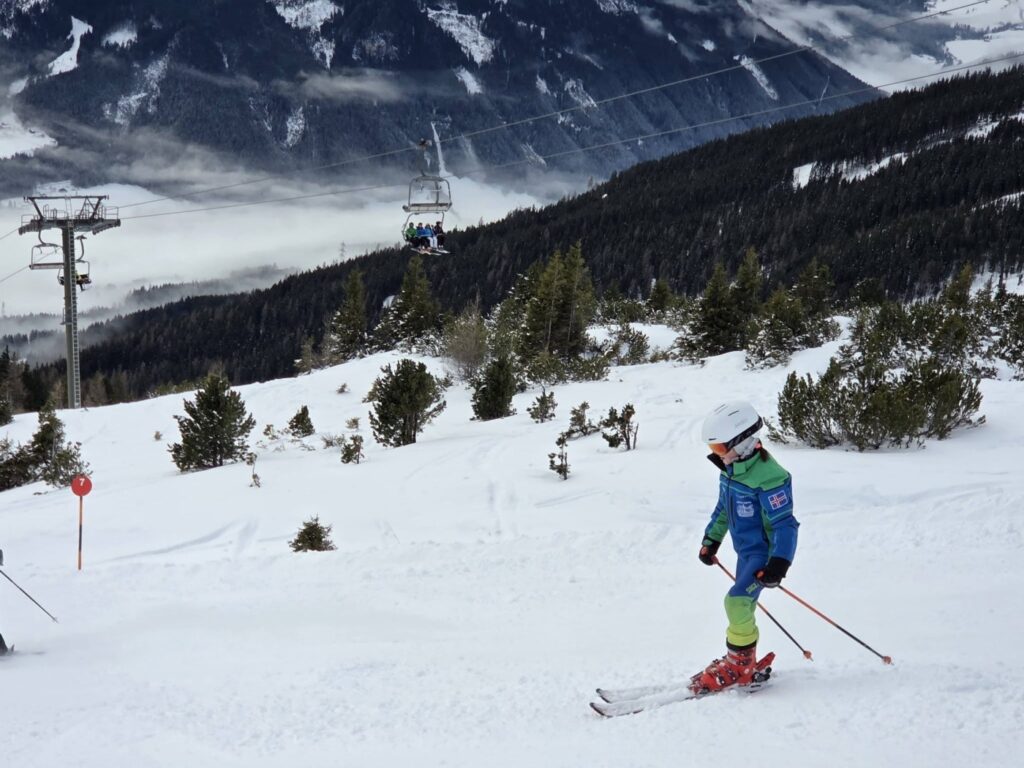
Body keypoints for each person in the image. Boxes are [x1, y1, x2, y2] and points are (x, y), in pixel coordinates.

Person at [690, 401, 798, 694]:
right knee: (743, 606)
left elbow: (785, 525)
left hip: (763, 555)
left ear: (742, 441)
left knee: (736, 602)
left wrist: (779, 564)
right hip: (745, 553)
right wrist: (711, 540)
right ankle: (741, 659)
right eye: (714, 450)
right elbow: (724, 509)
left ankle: (740, 665)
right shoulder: (732, 470)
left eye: (720, 449)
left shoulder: (770, 477)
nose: (717, 456)